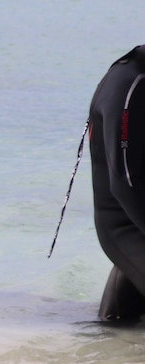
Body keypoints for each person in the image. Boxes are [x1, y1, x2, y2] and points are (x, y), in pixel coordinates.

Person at [89, 45, 145, 321]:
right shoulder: (129, 83)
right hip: (124, 226)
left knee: (120, 327)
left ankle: (110, 357)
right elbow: (124, 182)